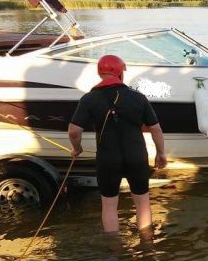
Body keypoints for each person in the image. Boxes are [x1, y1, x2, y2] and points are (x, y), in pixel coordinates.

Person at [68, 54, 167, 233]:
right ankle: (146, 246)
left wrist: (77, 149)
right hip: (136, 156)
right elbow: (156, 129)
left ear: (100, 73)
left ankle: (115, 251)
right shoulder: (138, 97)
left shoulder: (89, 99)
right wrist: (161, 153)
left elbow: (74, 131)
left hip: (108, 159)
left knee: (109, 205)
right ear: (121, 73)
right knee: (142, 203)